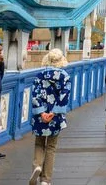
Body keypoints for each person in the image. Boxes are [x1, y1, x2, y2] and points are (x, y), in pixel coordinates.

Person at [28, 49, 72, 185]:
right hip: (55, 116)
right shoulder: (64, 76)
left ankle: (37, 166)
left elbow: (35, 95)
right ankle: (46, 180)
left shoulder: (39, 75)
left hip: (40, 116)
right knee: (51, 146)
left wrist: (42, 112)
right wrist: (54, 112)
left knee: (39, 143)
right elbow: (64, 97)